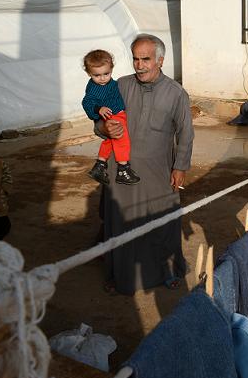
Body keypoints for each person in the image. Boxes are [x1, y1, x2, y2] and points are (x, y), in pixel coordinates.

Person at [98, 34, 194, 295]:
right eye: (136, 59)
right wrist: (104, 127)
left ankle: (168, 272)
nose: (139, 65)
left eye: (146, 59)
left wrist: (180, 167)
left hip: (157, 171)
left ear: (160, 60)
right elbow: (99, 118)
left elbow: (185, 133)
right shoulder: (119, 87)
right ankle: (117, 274)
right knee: (119, 222)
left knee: (162, 221)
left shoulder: (175, 93)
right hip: (121, 171)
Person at [82, 49, 140, 186]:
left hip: (116, 112)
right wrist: (98, 109)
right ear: (89, 73)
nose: (102, 78)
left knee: (110, 139)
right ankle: (123, 169)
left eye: (106, 74)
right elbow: (87, 102)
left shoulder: (109, 83)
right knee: (121, 136)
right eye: (97, 75)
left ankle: (100, 165)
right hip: (112, 115)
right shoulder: (95, 88)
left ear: (111, 69)